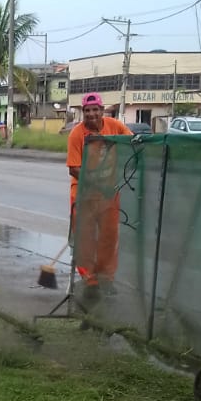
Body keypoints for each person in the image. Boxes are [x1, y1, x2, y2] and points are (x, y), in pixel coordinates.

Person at [65, 93, 131, 301]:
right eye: (87, 111)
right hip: (84, 194)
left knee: (109, 238)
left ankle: (106, 278)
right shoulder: (77, 134)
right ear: (83, 113)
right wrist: (96, 186)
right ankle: (90, 280)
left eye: (95, 110)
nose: (91, 114)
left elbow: (131, 142)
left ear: (102, 111)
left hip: (109, 194)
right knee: (85, 240)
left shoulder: (114, 126)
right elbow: (74, 168)